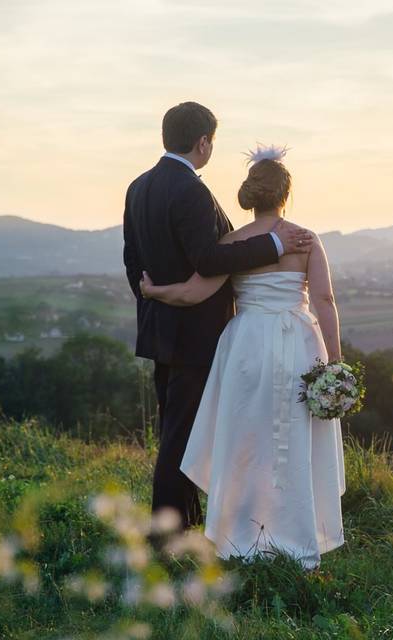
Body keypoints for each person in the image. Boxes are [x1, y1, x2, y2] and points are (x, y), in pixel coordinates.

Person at [138, 144, 346, 570]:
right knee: (293, 441)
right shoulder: (305, 239)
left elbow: (195, 292)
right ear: (286, 193)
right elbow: (324, 299)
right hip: (299, 346)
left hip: (246, 345)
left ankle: (240, 535)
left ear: (252, 195)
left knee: (246, 439)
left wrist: (154, 291)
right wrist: (336, 364)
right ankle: (295, 539)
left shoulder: (230, 243)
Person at [122, 102, 313, 532]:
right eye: (213, 141)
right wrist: (276, 247)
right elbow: (209, 260)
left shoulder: (138, 186)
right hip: (194, 335)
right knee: (181, 439)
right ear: (203, 142)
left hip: (161, 330)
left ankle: (183, 524)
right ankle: (168, 534)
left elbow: (132, 259)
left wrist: (153, 295)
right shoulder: (190, 190)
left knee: (177, 431)